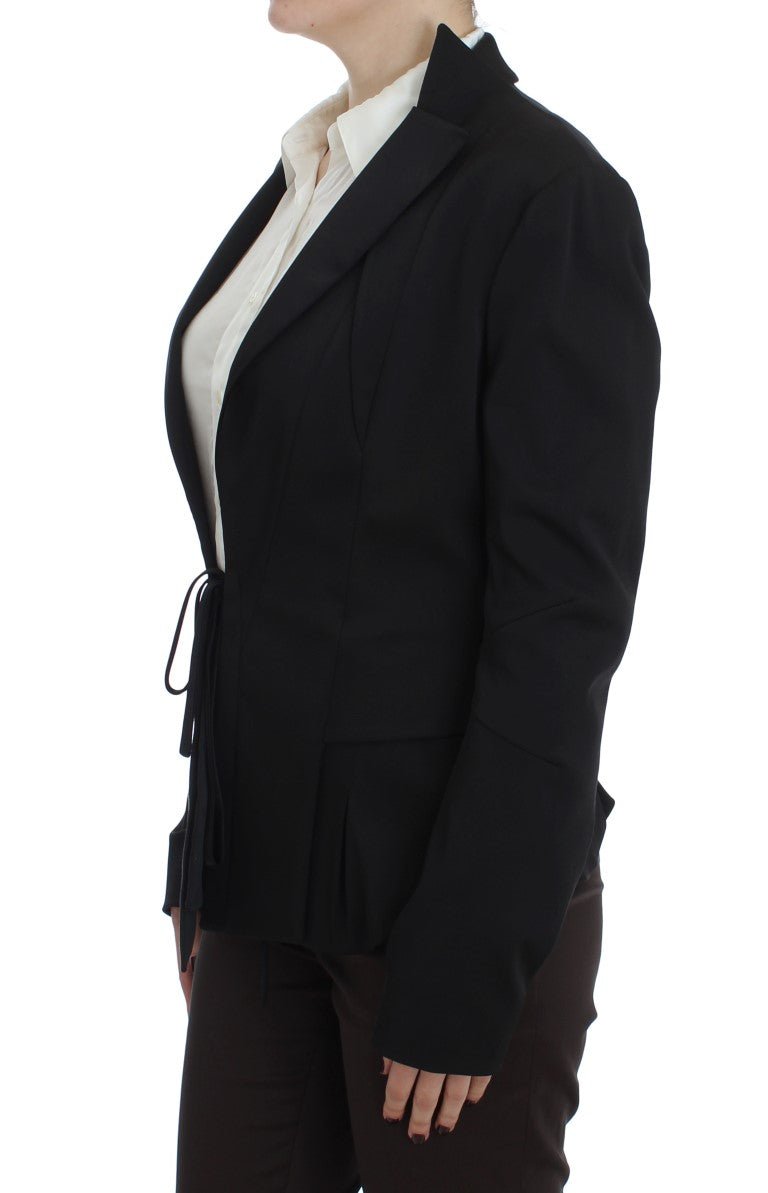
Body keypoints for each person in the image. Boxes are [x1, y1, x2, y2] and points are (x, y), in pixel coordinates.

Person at [159, 2, 661, 1189]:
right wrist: (203, 849)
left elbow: (561, 621)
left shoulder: (547, 195)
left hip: (448, 894)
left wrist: (473, 948)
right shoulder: (311, 172)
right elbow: (273, 554)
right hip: (261, 874)